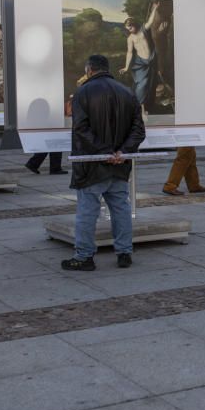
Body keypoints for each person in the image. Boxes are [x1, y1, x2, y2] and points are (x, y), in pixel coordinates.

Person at [63, 54, 146, 272]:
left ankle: (84, 256)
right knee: (120, 208)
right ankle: (124, 252)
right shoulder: (127, 92)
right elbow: (139, 130)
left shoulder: (83, 92)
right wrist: (122, 152)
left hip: (92, 164)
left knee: (87, 211)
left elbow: (81, 129)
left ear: (89, 70)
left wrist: (105, 152)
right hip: (119, 163)